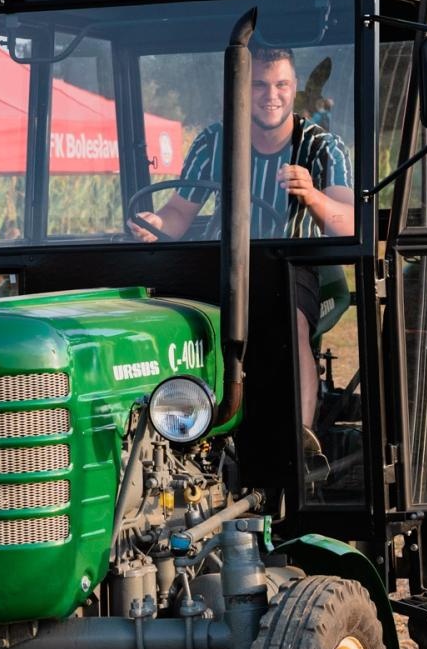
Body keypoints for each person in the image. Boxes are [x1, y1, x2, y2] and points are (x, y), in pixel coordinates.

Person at [129, 46, 352, 437]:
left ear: (294, 87)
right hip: (218, 263)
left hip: (289, 264)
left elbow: (348, 222)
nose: (271, 94)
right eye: (260, 85)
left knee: (292, 323)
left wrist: (312, 195)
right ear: (241, 90)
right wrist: (155, 224)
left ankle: (298, 441)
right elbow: (179, 212)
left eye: (281, 84)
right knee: (168, 318)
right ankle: (170, 428)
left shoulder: (320, 146)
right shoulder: (214, 141)